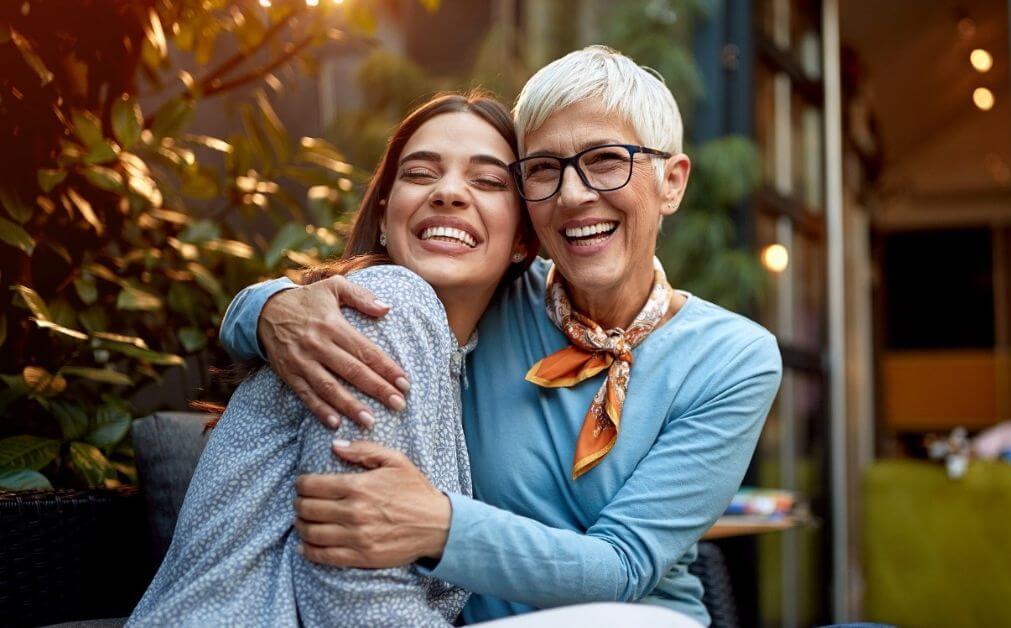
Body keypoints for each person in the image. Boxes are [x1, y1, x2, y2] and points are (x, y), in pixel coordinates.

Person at [220, 46, 782, 625]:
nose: (572, 195)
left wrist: (438, 524)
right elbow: (369, 295)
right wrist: (268, 308)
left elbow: (624, 566)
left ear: (672, 182)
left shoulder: (733, 358)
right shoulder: (490, 295)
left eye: (607, 160)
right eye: (542, 169)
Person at [128, 92, 538, 626]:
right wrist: (259, 308)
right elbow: (352, 596)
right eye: (420, 173)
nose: (449, 192)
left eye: (487, 181)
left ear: (524, 240)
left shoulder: (466, 355)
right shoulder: (390, 304)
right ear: (385, 214)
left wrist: (256, 306)